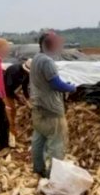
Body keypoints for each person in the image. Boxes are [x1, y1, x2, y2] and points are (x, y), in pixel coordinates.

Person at [30, 31, 77, 177]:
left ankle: (38, 168)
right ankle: (53, 175)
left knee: (39, 138)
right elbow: (56, 84)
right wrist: (71, 87)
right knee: (56, 143)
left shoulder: (36, 58)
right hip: (51, 109)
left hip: (38, 107)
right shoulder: (47, 62)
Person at [3, 59, 31, 137]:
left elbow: (25, 86)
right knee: (9, 111)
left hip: (10, 91)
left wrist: (27, 98)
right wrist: (17, 98)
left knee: (13, 111)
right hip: (3, 91)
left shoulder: (26, 74)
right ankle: (10, 133)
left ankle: (12, 130)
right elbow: (8, 88)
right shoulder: (13, 71)